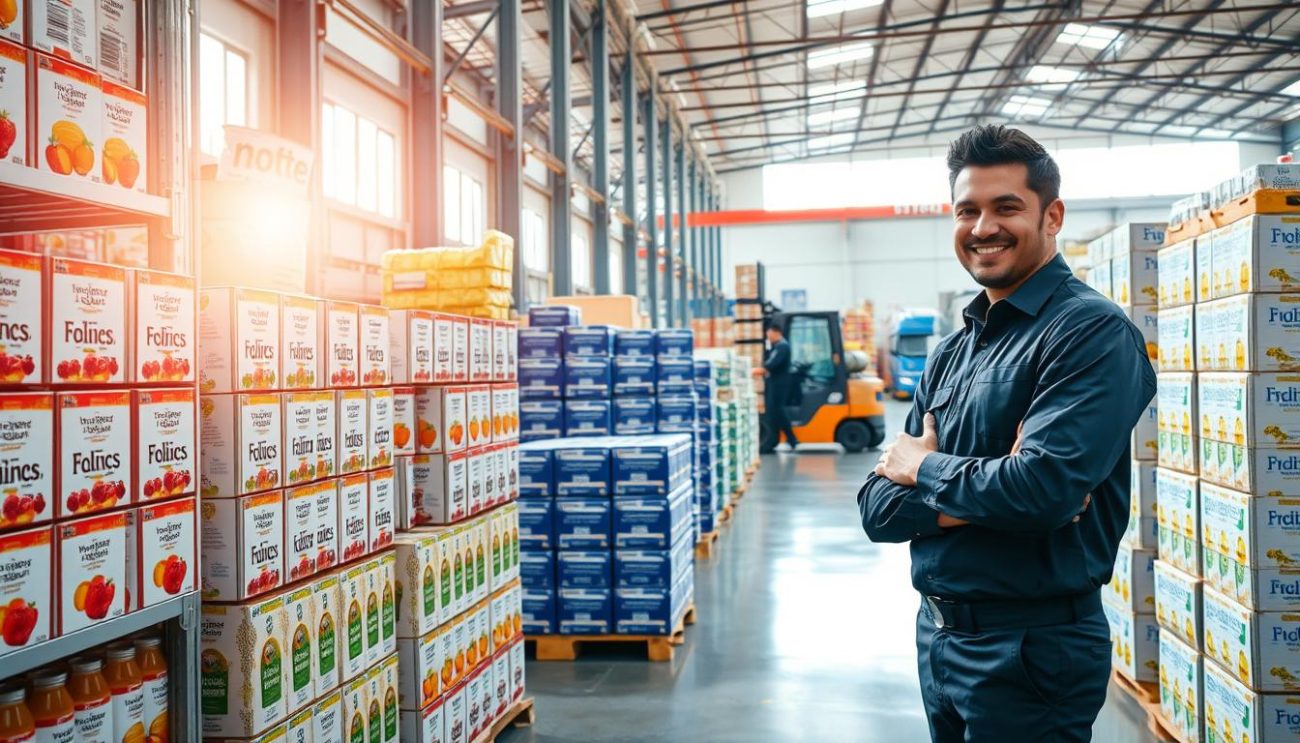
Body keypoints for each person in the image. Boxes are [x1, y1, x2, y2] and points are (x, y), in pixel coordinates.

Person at [857, 125, 1156, 742]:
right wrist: (991, 489)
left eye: (1006, 207)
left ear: (1053, 216)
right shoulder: (952, 351)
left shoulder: (1089, 333)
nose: (982, 227)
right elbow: (877, 509)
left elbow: (1041, 489)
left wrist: (924, 468)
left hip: (1032, 649)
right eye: (967, 210)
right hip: (938, 636)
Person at [762, 324, 798, 451]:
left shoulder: (782, 346)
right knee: (773, 412)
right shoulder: (777, 346)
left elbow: (771, 364)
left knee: (777, 410)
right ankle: (775, 439)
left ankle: (792, 439)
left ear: (776, 332)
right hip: (776, 382)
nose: (768, 337)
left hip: (779, 383)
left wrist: (759, 369)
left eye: (769, 334)